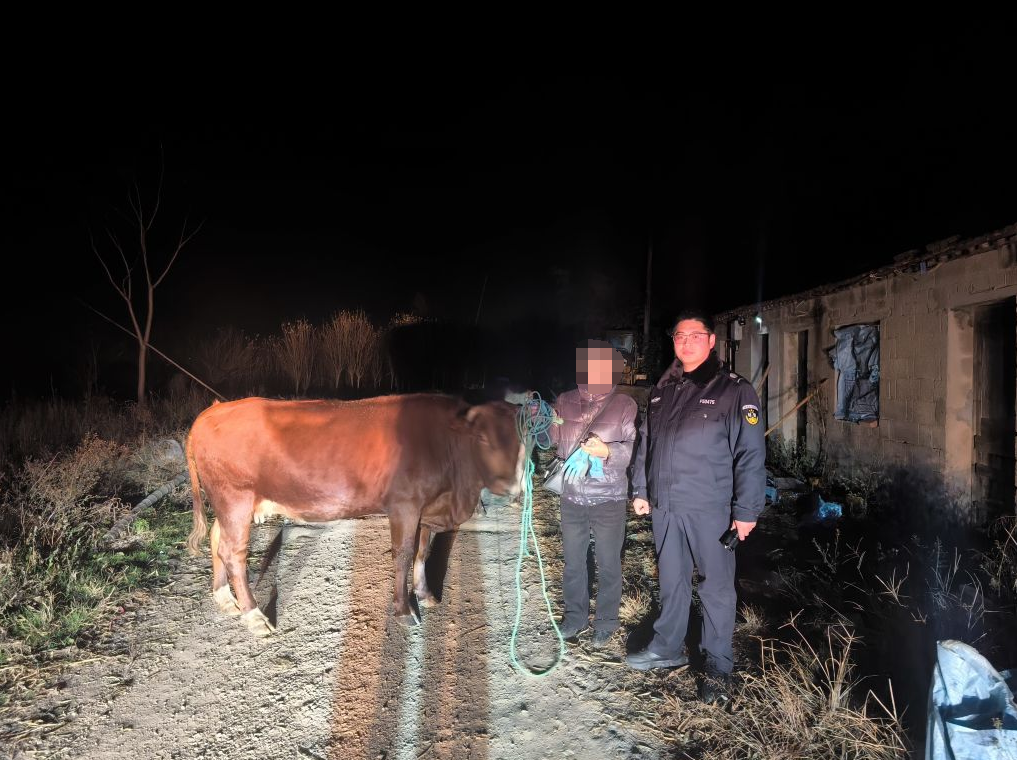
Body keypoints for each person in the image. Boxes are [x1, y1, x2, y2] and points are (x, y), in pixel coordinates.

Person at [625, 310, 766, 703]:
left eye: (694, 335)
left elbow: (750, 453)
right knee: (671, 580)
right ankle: (667, 647)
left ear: (711, 341)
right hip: (666, 506)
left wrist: (746, 510)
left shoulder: (733, 390)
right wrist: (641, 489)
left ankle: (718, 667)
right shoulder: (662, 389)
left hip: (710, 508)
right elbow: (646, 443)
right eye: (679, 336)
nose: (685, 343)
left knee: (716, 588)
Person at [549, 339, 638, 648]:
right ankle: (574, 618)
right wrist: (543, 420)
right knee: (573, 562)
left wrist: (608, 451)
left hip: (609, 498)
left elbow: (634, 449)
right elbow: (553, 439)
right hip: (571, 496)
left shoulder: (625, 404)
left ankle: (606, 622)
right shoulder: (565, 400)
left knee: (608, 562)